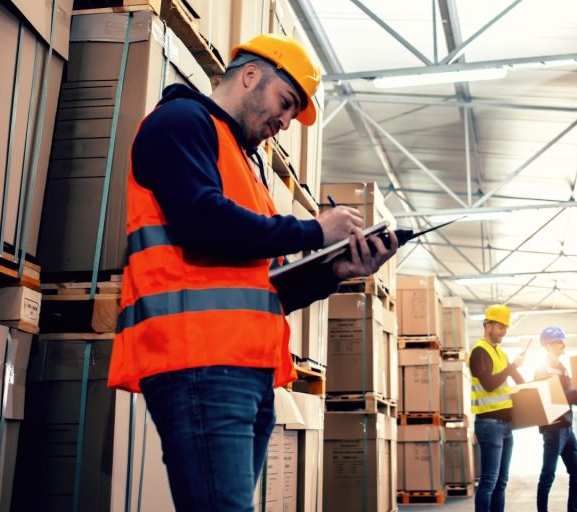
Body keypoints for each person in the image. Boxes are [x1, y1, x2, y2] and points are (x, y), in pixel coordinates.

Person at [107, 34, 398, 511]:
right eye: (285, 104)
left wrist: (338, 271)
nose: (284, 123)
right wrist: (311, 230)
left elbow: (265, 287)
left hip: (247, 370)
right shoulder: (180, 122)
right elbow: (201, 222)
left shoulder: (246, 164)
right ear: (249, 76)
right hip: (198, 359)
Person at [535, 327, 577, 512]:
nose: (563, 344)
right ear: (547, 345)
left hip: (567, 428)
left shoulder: (562, 369)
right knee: (548, 476)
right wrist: (576, 392)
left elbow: (571, 398)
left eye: (563, 340)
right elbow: (548, 397)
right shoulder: (542, 369)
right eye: (558, 341)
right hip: (553, 428)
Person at [468, 304, 526, 512]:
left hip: (506, 425)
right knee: (489, 483)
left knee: (501, 482)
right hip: (489, 424)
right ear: (487, 325)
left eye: (506, 328)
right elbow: (489, 384)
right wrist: (513, 368)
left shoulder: (500, 353)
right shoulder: (478, 352)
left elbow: (517, 379)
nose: (504, 332)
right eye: (500, 327)